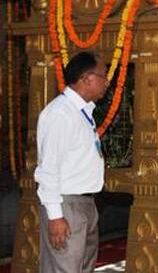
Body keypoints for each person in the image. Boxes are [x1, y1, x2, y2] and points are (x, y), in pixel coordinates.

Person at [34, 51, 109, 273]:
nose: (107, 82)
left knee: (83, 268)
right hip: (67, 205)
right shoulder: (60, 113)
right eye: (103, 76)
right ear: (87, 78)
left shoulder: (83, 112)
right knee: (64, 269)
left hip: (85, 204)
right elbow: (48, 170)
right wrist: (56, 216)